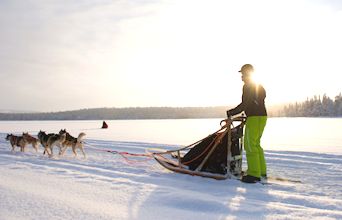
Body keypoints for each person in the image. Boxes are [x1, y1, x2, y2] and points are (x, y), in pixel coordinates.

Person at [227, 64, 267, 183]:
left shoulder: (248, 86)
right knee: (256, 144)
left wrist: (231, 112)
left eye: (243, 74)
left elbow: (245, 104)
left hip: (254, 117)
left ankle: (254, 175)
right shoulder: (258, 85)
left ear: (247, 74)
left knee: (249, 145)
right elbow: (258, 99)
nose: (242, 76)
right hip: (262, 116)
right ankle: (261, 172)